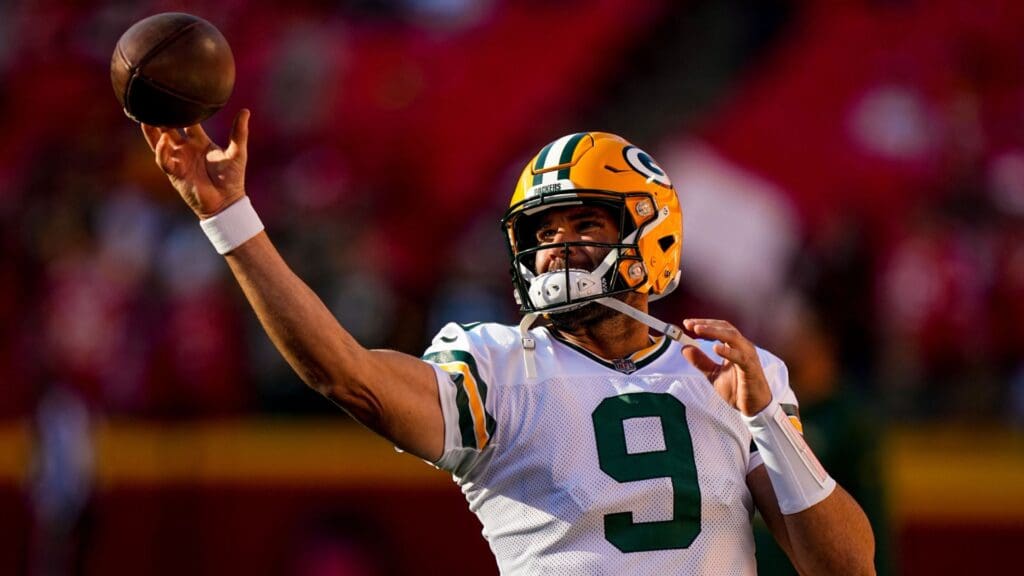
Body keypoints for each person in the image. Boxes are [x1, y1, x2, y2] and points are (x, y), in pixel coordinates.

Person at [141, 113, 875, 575]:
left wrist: (766, 423)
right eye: (542, 232)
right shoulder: (499, 365)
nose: (556, 249)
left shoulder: (732, 372)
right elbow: (349, 375)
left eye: (584, 225)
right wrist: (232, 221)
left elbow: (846, 569)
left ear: (654, 235)